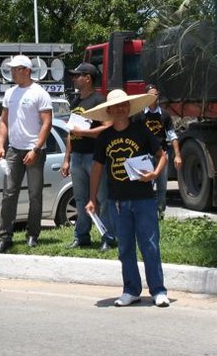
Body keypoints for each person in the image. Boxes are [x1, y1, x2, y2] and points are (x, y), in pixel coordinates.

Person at [84, 89, 170, 307]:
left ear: (129, 108)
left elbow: (162, 156)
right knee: (125, 247)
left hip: (143, 198)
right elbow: (96, 168)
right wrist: (92, 198)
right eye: (116, 106)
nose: (120, 109)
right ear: (109, 111)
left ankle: (158, 290)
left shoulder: (141, 131)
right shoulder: (104, 137)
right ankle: (131, 290)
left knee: (149, 244)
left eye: (124, 105)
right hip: (117, 201)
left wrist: (154, 174)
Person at [0, 55, 52, 254]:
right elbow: (3, 121)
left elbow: (47, 123)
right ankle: (4, 237)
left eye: (17, 69)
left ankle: (33, 234)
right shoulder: (10, 93)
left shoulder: (40, 93)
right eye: (12, 69)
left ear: (27, 70)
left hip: (35, 149)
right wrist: (1, 145)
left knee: (35, 194)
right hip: (13, 149)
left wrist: (36, 148)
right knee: (9, 193)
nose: (13, 72)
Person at [60, 63, 114, 251]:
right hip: (77, 156)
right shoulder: (75, 103)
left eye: (77, 75)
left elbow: (108, 126)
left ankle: (107, 236)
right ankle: (81, 236)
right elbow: (70, 132)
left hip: (95, 157)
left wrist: (86, 133)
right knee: (81, 198)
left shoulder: (99, 100)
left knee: (102, 198)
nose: (74, 78)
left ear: (88, 78)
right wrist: (66, 158)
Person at [136, 83, 183, 218]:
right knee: (146, 186)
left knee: (162, 187)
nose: (153, 97)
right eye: (150, 94)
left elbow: (172, 135)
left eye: (155, 94)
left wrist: (177, 155)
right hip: (145, 155)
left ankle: (160, 213)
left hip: (162, 154)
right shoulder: (139, 115)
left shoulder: (165, 115)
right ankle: (147, 213)